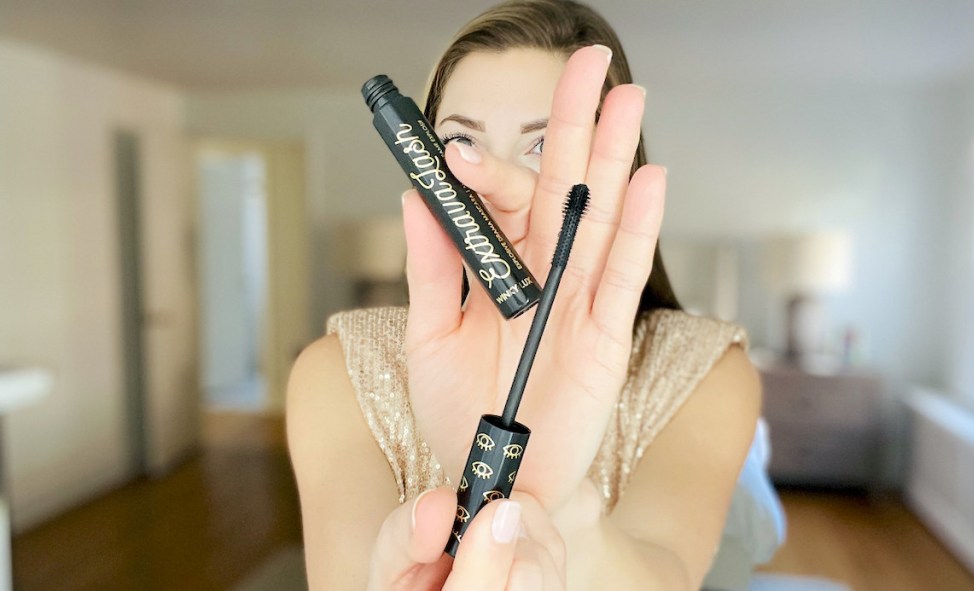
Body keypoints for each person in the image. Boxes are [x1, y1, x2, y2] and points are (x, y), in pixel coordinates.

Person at [286, 1, 761, 589]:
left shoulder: (705, 371)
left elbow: (667, 573)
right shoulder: (337, 370)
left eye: (542, 146)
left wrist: (539, 488)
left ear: (608, 177)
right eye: (460, 141)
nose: (493, 181)